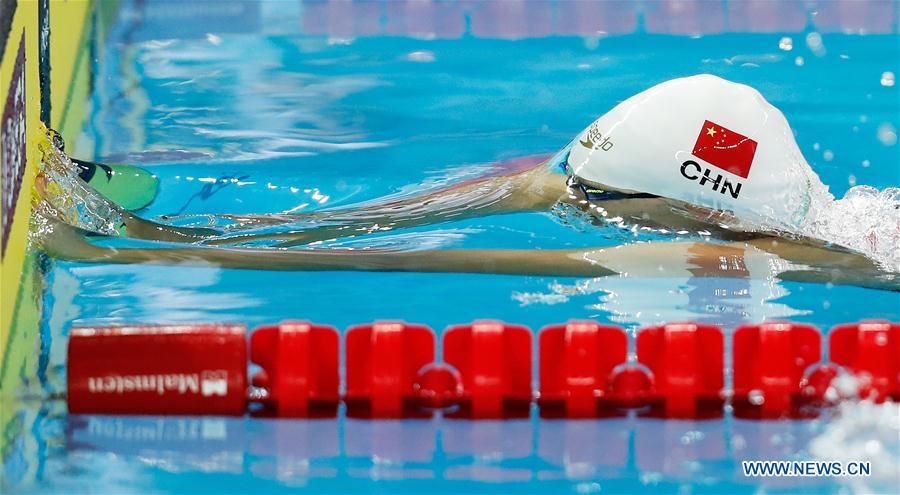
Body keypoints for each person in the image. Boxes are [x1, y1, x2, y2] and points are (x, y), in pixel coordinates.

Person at [36, 75, 899, 291]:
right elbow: (408, 221)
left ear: (698, 210)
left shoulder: (740, 260)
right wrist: (166, 238)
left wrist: (128, 259)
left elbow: (444, 261)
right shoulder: (734, 203)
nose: (567, 196)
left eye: (588, 197)